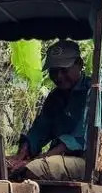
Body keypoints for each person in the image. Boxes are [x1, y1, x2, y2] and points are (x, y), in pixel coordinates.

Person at [6, 39, 90, 182]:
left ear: (79, 64)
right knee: (4, 164)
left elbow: (75, 140)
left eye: (64, 70)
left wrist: (38, 159)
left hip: (85, 160)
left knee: (34, 169)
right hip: (57, 158)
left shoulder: (92, 92)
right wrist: (22, 154)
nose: (58, 77)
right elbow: (40, 129)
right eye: (54, 71)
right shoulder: (55, 97)